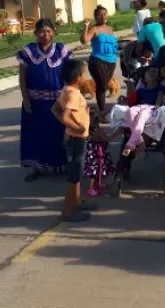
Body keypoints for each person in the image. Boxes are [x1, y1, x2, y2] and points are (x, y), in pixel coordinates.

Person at [18, 18, 74, 182]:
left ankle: (61, 165)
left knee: (59, 134)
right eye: (42, 31)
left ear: (54, 32)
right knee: (36, 135)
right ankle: (37, 168)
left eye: (49, 31)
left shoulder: (61, 50)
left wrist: (70, 98)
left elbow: (71, 75)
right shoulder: (28, 52)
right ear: (36, 33)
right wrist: (26, 98)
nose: (45, 35)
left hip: (58, 102)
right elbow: (22, 79)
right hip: (36, 102)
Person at [50, 58, 92, 222]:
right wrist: (77, 127)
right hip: (76, 139)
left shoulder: (66, 90)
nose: (85, 76)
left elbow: (54, 109)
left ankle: (76, 202)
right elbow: (66, 116)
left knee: (76, 173)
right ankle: (68, 212)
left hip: (74, 137)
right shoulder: (73, 94)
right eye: (84, 73)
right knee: (73, 176)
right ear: (77, 77)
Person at [81, 6, 119, 123]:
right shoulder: (94, 29)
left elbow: (113, 45)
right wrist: (86, 26)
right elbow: (84, 40)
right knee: (102, 86)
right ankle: (102, 111)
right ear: (96, 17)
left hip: (111, 62)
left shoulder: (110, 29)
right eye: (100, 14)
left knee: (103, 86)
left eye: (105, 14)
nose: (103, 16)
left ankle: (100, 110)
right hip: (97, 61)